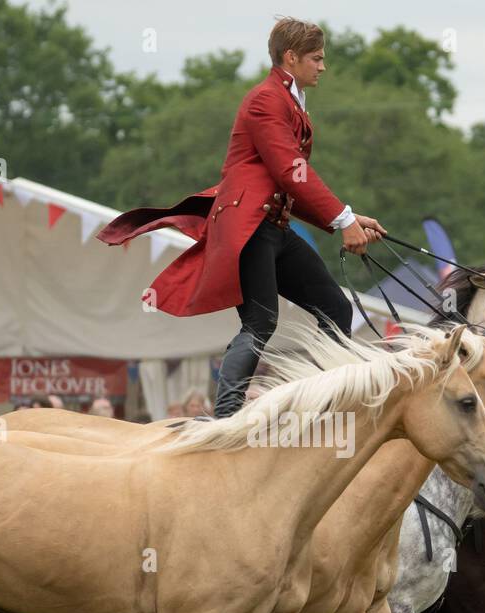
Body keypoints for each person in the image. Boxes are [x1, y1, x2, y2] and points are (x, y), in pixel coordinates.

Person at [99, 17, 385, 418]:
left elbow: (286, 184)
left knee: (335, 309)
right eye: (317, 59)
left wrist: (350, 217)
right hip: (250, 229)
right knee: (260, 322)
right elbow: (291, 170)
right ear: (291, 57)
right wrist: (342, 219)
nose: (323, 66)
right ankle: (227, 416)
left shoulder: (289, 101)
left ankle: (320, 403)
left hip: (274, 227)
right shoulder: (266, 100)